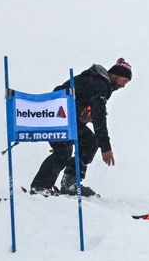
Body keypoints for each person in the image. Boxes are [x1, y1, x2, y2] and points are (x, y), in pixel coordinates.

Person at [29, 59, 133, 196]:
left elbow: (79, 101)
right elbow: (99, 118)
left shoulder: (96, 81)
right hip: (56, 117)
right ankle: (40, 187)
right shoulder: (100, 84)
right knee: (63, 151)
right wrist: (106, 148)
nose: (124, 85)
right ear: (115, 76)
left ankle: (70, 183)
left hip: (64, 118)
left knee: (90, 142)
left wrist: (81, 115)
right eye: (124, 81)